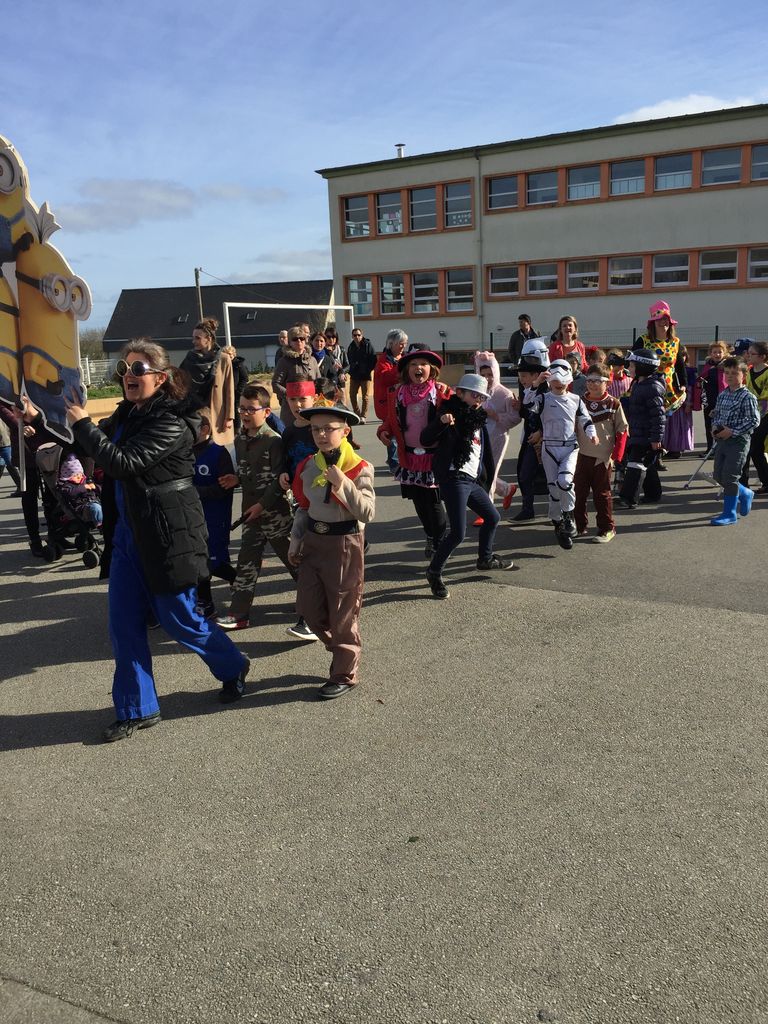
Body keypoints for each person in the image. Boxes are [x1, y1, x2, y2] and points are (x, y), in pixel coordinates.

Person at [64, 338, 250, 741]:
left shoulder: (172, 422)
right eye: (124, 369)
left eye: (138, 369)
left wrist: (82, 424)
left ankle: (233, 665)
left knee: (180, 620)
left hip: (167, 535)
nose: (128, 376)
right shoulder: (126, 414)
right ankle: (137, 708)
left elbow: (123, 463)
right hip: (128, 536)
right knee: (124, 625)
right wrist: (38, 418)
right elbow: (89, 444)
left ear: (161, 378)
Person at [288, 405, 375, 699]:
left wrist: (343, 483)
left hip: (345, 544)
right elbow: (304, 507)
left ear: (345, 431)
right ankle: (340, 649)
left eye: (329, 428)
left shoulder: (359, 467)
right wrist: (295, 539)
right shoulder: (308, 466)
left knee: (343, 613)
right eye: (316, 429)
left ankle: (344, 673)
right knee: (309, 609)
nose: (321, 434)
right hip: (314, 541)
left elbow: (367, 512)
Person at [420, 373, 515, 599]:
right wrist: (441, 423)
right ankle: (434, 572)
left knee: (492, 517)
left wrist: (485, 480)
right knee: (458, 533)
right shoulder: (449, 414)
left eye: (482, 397)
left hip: (471, 480)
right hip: (454, 478)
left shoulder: (478, 420)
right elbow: (425, 438)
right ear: (460, 393)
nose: (479, 400)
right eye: (475, 395)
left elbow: (483, 455)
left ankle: (485, 559)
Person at [216, 384, 297, 631]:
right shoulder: (240, 439)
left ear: (266, 412)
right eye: (242, 408)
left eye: (251, 409)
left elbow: (278, 481)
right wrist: (237, 479)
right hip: (251, 514)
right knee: (246, 563)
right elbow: (249, 473)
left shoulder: (273, 441)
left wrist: (261, 506)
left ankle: (317, 603)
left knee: (295, 562)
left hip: (276, 515)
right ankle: (239, 614)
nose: (245, 413)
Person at [377, 350, 450, 558]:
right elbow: (391, 420)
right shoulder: (397, 392)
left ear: (431, 369)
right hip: (409, 457)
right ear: (406, 370)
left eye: (423, 364)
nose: (418, 368)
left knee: (434, 502)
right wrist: (383, 431)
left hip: (434, 457)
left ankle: (440, 541)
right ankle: (430, 536)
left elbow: (456, 414)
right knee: (418, 501)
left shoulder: (441, 391)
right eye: (413, 364)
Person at [524, 359, 598, 550]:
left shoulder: (576, 399)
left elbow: (585, 419)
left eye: (562, 381)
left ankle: (568, 516)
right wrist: (536, 384)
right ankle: (558, 524)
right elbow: (527, 405)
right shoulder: (543, 399)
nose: (559, 384)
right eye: (555, 380)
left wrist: (592, 434)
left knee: (565, 482)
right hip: (549, 447)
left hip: (570, 447)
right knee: (554, 489)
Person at [574, 364, 628, 543]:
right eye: (589, 380)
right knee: (578, 493)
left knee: (602, 495)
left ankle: (607, 528)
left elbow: (622, 430)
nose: (592, 384)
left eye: (597, 381)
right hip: (580, 455)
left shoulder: (614, 403)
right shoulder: (578, 402)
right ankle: (579, 526)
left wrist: (617, 456)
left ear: (608, 382)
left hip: (603, 458)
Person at [192, 413, 236, 620]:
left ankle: (238, 578)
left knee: (213, 561)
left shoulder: (218, 453)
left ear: (204, 429)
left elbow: (224, 488)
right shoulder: (183, 453)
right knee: (197, 560)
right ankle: (205, 602)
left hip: (215, 517)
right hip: (192, 517)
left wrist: (194, 493)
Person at [709, 356, 760, 525]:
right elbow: (717, 414)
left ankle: (729, 514)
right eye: (727, 372)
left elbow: (753, 420)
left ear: (743, 375)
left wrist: (732, 431)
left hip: (738, 442)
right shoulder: (723, 394)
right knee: (718, 475)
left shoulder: (747, 397)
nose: (729, 376)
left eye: (734, 373)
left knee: (730, 477)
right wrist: (714, 427)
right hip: (722, 441)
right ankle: (745, 493)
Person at [616, 350, 666, 510]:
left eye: (632, 365)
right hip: (638, 431)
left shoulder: (652, 387)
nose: (629, 368)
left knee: (635, 465)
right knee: (646, 463)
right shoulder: (639, 383)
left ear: (643, 367)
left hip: (646, 434)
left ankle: (628, 498)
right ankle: (653, 494)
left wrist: (656, 438)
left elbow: (659, 416)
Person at [473, 351, 519, 513]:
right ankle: (506, 489)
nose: (487, 378)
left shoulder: (504, 393)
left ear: (496, 373)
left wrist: (496, 415)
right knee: (478, 470)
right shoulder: (475, 391)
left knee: (489, 472)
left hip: (498, 437)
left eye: (490, 374)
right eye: (483, 374)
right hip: (477, 437)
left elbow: (515, 418)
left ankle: (487, 510)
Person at [510, 338, 550, 522]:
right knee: (524, 474)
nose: (521, 379)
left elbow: (555, 415)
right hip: (530, 439)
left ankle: (559, 513)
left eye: (525, 375)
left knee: (554, 478)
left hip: (550, 441)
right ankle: (528, 510)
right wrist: (520, 407)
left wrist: (541, 432)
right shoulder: (526, 388)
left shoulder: (551, 386)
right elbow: (527, 413)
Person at [179, 317, 236, 446]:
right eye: (193, 338)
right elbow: (179, 382)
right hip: (194, 412)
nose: (194, 341)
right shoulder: (189, 359)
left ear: (208, 339)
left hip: (216, 413)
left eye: (197, 338)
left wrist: (229, 417)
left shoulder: (224, 359)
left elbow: (229, 389)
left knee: (215, 450)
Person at [633, 300, 687, 415]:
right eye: (659, 319)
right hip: (648, 388)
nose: (663, 322)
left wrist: (683, 384)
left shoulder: (675, 342)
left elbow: (680, 365)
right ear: (653, 323)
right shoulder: (643, 340)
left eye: (665, 319)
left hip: (670, 390)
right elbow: (632, 361)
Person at [374, 329, 408, 473]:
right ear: (391, 344)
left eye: (405, 343)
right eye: (400, 343)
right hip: (386, 403)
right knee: (391, 433)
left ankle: (396, 460)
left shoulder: (404, 357)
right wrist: (402, 368)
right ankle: (394, 464)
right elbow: (385, 378)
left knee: (400, 433)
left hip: (401, 401)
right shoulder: (383, 360)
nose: (403, 346)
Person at [271, 326, 320, 425]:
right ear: (289, 342)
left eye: (302, 338)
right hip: (291, 409)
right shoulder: (284, 361)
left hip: (310, 406)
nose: (299, 341)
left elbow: (318, 381)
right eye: (295, 339)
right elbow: (275, 383)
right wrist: (289, 395)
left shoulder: (312, 360)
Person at [743, 340, 768, 493]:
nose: (749, 356)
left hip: (765, 415)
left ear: (762, 356)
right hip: (751, 414)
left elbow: (765, 397)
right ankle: (763, 482)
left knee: (753, 447)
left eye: (752, 354)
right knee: (754, 450)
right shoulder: (748, 371)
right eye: (748, 353)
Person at [663, 346, 696, 459]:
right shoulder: (668, 369)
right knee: (670, 426)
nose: (680, 358)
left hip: (682, 404)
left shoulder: (688, 371)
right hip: (670, 403)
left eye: (683, 356)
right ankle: (670, 447)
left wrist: (689, 403)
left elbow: (690, 389)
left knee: (680, 427)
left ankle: (677, 449)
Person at [698, 340, 730, 450]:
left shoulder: (727, 366)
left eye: (720, 352)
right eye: (714, 352)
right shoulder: (708, 366)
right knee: (709, 425)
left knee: (721, 425)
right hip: (709, 400)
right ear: (710, 353)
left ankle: (720, 448)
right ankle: (710, 448)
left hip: (723, 400)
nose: (717, 354)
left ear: (724, 353)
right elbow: (701, 378)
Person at [346, 328, 377, 422]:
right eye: (355, 335)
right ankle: (357, 413)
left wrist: (368, 370)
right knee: (352, 395)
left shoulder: (368, 345)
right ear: (352, 336)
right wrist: (351, 370)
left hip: (365, 375)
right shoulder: (351, 346)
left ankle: (363, 416)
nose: (357, 337)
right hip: (354, 375)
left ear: (362, 335)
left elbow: (373, 358)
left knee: (365, 397)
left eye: (358, 335)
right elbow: (348, 360)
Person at [0, 414, 22, 494]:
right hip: (5, 441)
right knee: (3, 463)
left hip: (4, 441)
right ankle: (20, 487)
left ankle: (21, 487)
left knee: (10, 464)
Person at [230, 346, 249, 432]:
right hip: (227, 393)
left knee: (236, 410)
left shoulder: (238, 365)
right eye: (226, 354)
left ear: (234, 354)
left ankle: (237, 430)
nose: (229, 356)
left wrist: (239, 390)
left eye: (230, 354)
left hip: (236, 392)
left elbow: (245, 378)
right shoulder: (223, 365)